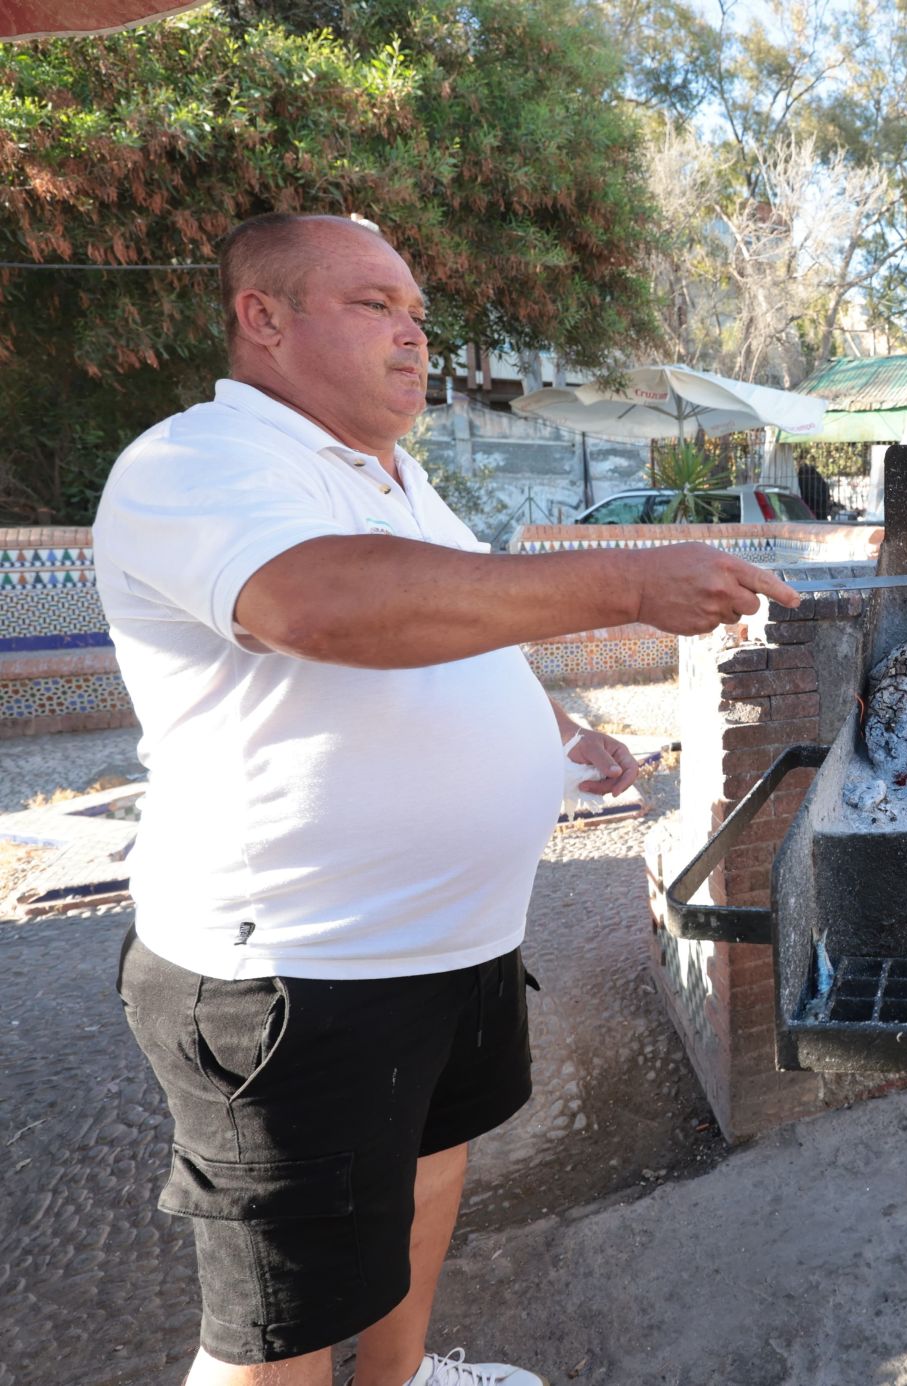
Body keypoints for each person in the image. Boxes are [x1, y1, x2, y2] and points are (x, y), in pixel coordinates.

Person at [92, 212, 800, 1386]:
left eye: (419, 313)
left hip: (456, 943)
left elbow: (451, 626)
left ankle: (406, 1378)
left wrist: (554, 731)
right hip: (296, 971)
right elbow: (319, 606)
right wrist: (625, 578)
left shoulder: (399, 478)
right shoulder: (197, 463)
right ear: (261, 317)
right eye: (375, 305)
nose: (415, 337)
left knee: (429, 1169)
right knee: (282, 1314)